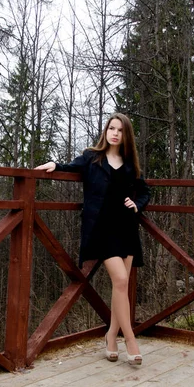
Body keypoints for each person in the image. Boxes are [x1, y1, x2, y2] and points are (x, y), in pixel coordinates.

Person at [35, 112, 150, 365]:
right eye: (112, 128)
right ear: (106, 131)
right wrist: (55, 164)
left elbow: (144, 191)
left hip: (126, 228)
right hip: (102, 228)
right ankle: (129, 339)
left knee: (121, 286)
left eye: (120, 130)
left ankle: (110, 336)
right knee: (120, 280)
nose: (115, 133)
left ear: (125, 134)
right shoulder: (91, 157)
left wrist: (137, 204)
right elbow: (71, 167)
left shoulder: (131, 164)